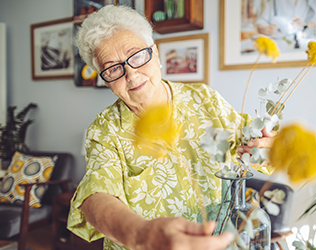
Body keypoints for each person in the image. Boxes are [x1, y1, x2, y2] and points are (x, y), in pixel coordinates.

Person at [67, 5, 275, 250]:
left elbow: (253, 143)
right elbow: (96, 196)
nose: (131, 76)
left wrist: (267, 147)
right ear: (105, 80)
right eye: (113, 68)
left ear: (154, 53)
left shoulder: (204, 99)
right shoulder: (105, 130)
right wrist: (140, 234)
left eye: (136, 56)